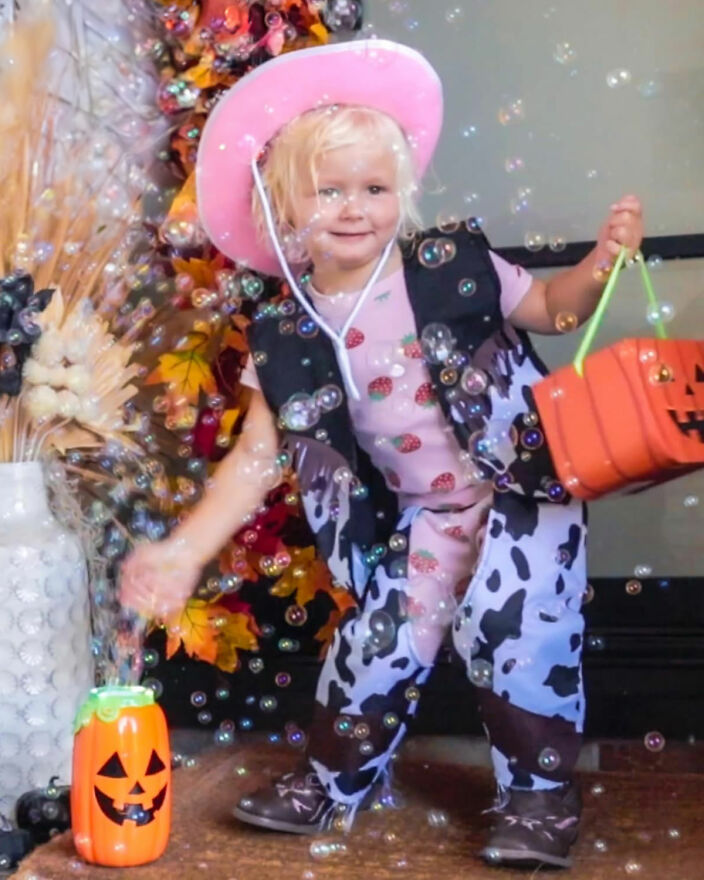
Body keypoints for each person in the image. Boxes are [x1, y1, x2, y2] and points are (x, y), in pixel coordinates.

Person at [120, 39, 644, 869]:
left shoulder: (452, 268)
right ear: (280, 208)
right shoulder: (287, 334)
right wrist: (183, 553)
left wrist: (597, 266)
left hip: (524, 490)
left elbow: (550, 306)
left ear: (403, 193)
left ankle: (539, 797)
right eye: (328, 191)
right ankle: (331, 779)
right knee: (380, 637)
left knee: (514, 627)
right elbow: (258, 459)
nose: (355, 207)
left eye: (375, 188)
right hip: (429, 512)